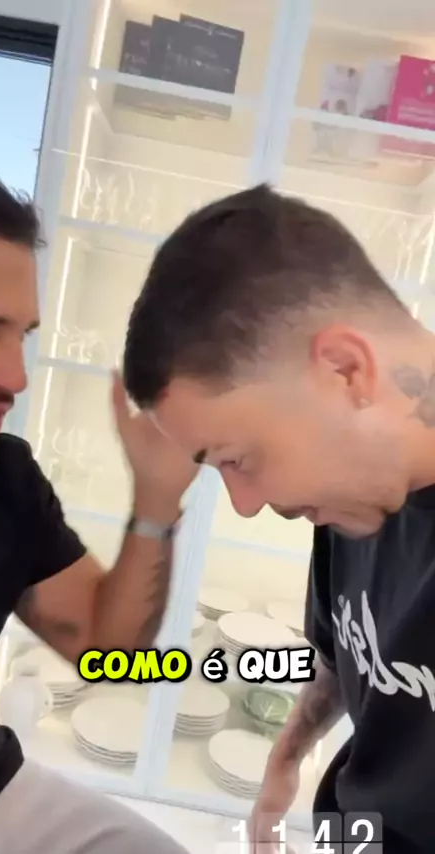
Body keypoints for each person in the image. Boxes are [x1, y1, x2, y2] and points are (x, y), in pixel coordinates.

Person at [122, 182, 435, 853]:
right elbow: (343, 652)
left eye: (239, 459)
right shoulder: (357, 503)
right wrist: (286, 759)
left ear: (345, 370)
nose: (245, 503)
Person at [0, 158, 197, 854]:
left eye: (22, 335)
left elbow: (106, 651)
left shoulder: (3, 482)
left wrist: (156, 501)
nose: (15, 377)